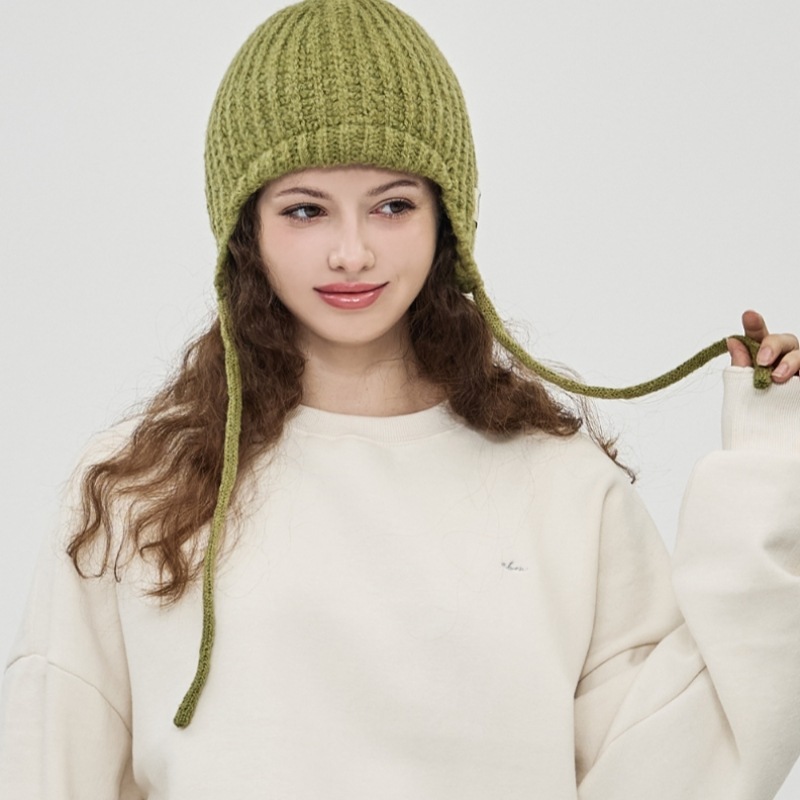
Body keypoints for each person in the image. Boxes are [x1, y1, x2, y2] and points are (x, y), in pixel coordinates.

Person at [1, 0, 799, 798]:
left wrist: (772, 468)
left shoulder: (561, 486)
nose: (352, 252)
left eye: (392, 205)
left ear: (446, 219)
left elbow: (676, 768)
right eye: (306, 209)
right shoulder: (140, 488)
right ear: (245, 230)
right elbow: (49, 768)